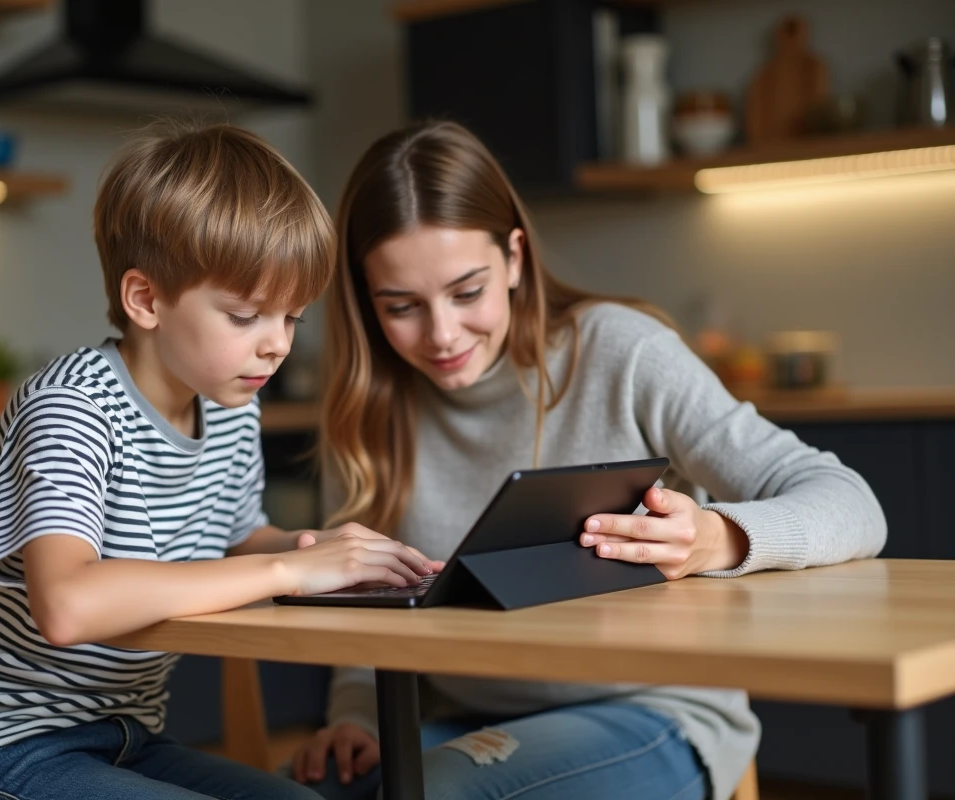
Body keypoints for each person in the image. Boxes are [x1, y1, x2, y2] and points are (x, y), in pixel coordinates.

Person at [290, 120, 887, 800]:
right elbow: (369, 601)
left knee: (442, 791)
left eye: (466, 292)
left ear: (514, 257)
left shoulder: (621, 352)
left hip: (650, 711)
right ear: (366, 299)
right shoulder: (365, 409)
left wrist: (715, 538)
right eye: (401, 306)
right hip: (455, 715)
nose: (442, 333)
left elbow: (852, 502)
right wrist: (358, 717)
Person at [0, 123, 441, 800]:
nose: (276, 346)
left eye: (292, 317)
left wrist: (322, 549)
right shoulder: (71, 408)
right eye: (246, 316)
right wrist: (286, 568)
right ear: (146, 300)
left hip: (127, 736)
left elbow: (238, 541)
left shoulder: (232, 404)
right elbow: (67, 604)